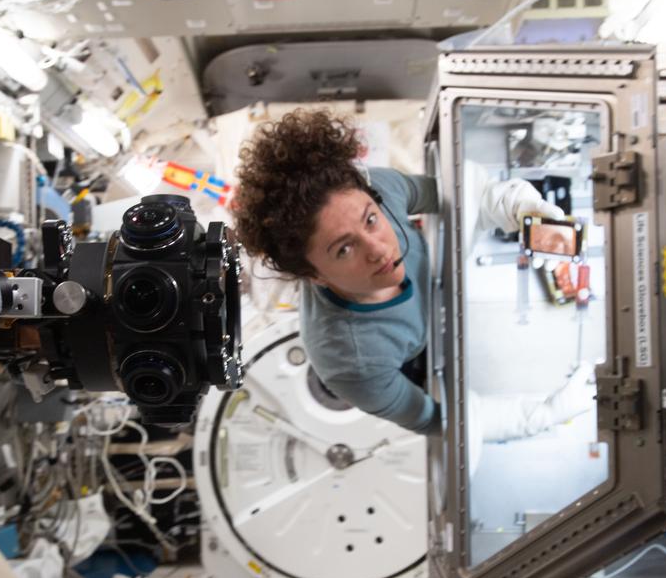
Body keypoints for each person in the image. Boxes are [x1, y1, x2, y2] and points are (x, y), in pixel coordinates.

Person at [231, 109, 592, 438]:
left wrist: (516, 207)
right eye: (344, 248)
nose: (378, 249)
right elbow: (436, 417)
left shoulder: (381, 190)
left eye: (371, 220)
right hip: (418, 357)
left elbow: (458, 196)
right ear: (315, 276)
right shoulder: (351, 361)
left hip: (443, 288)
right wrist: (542, 415)